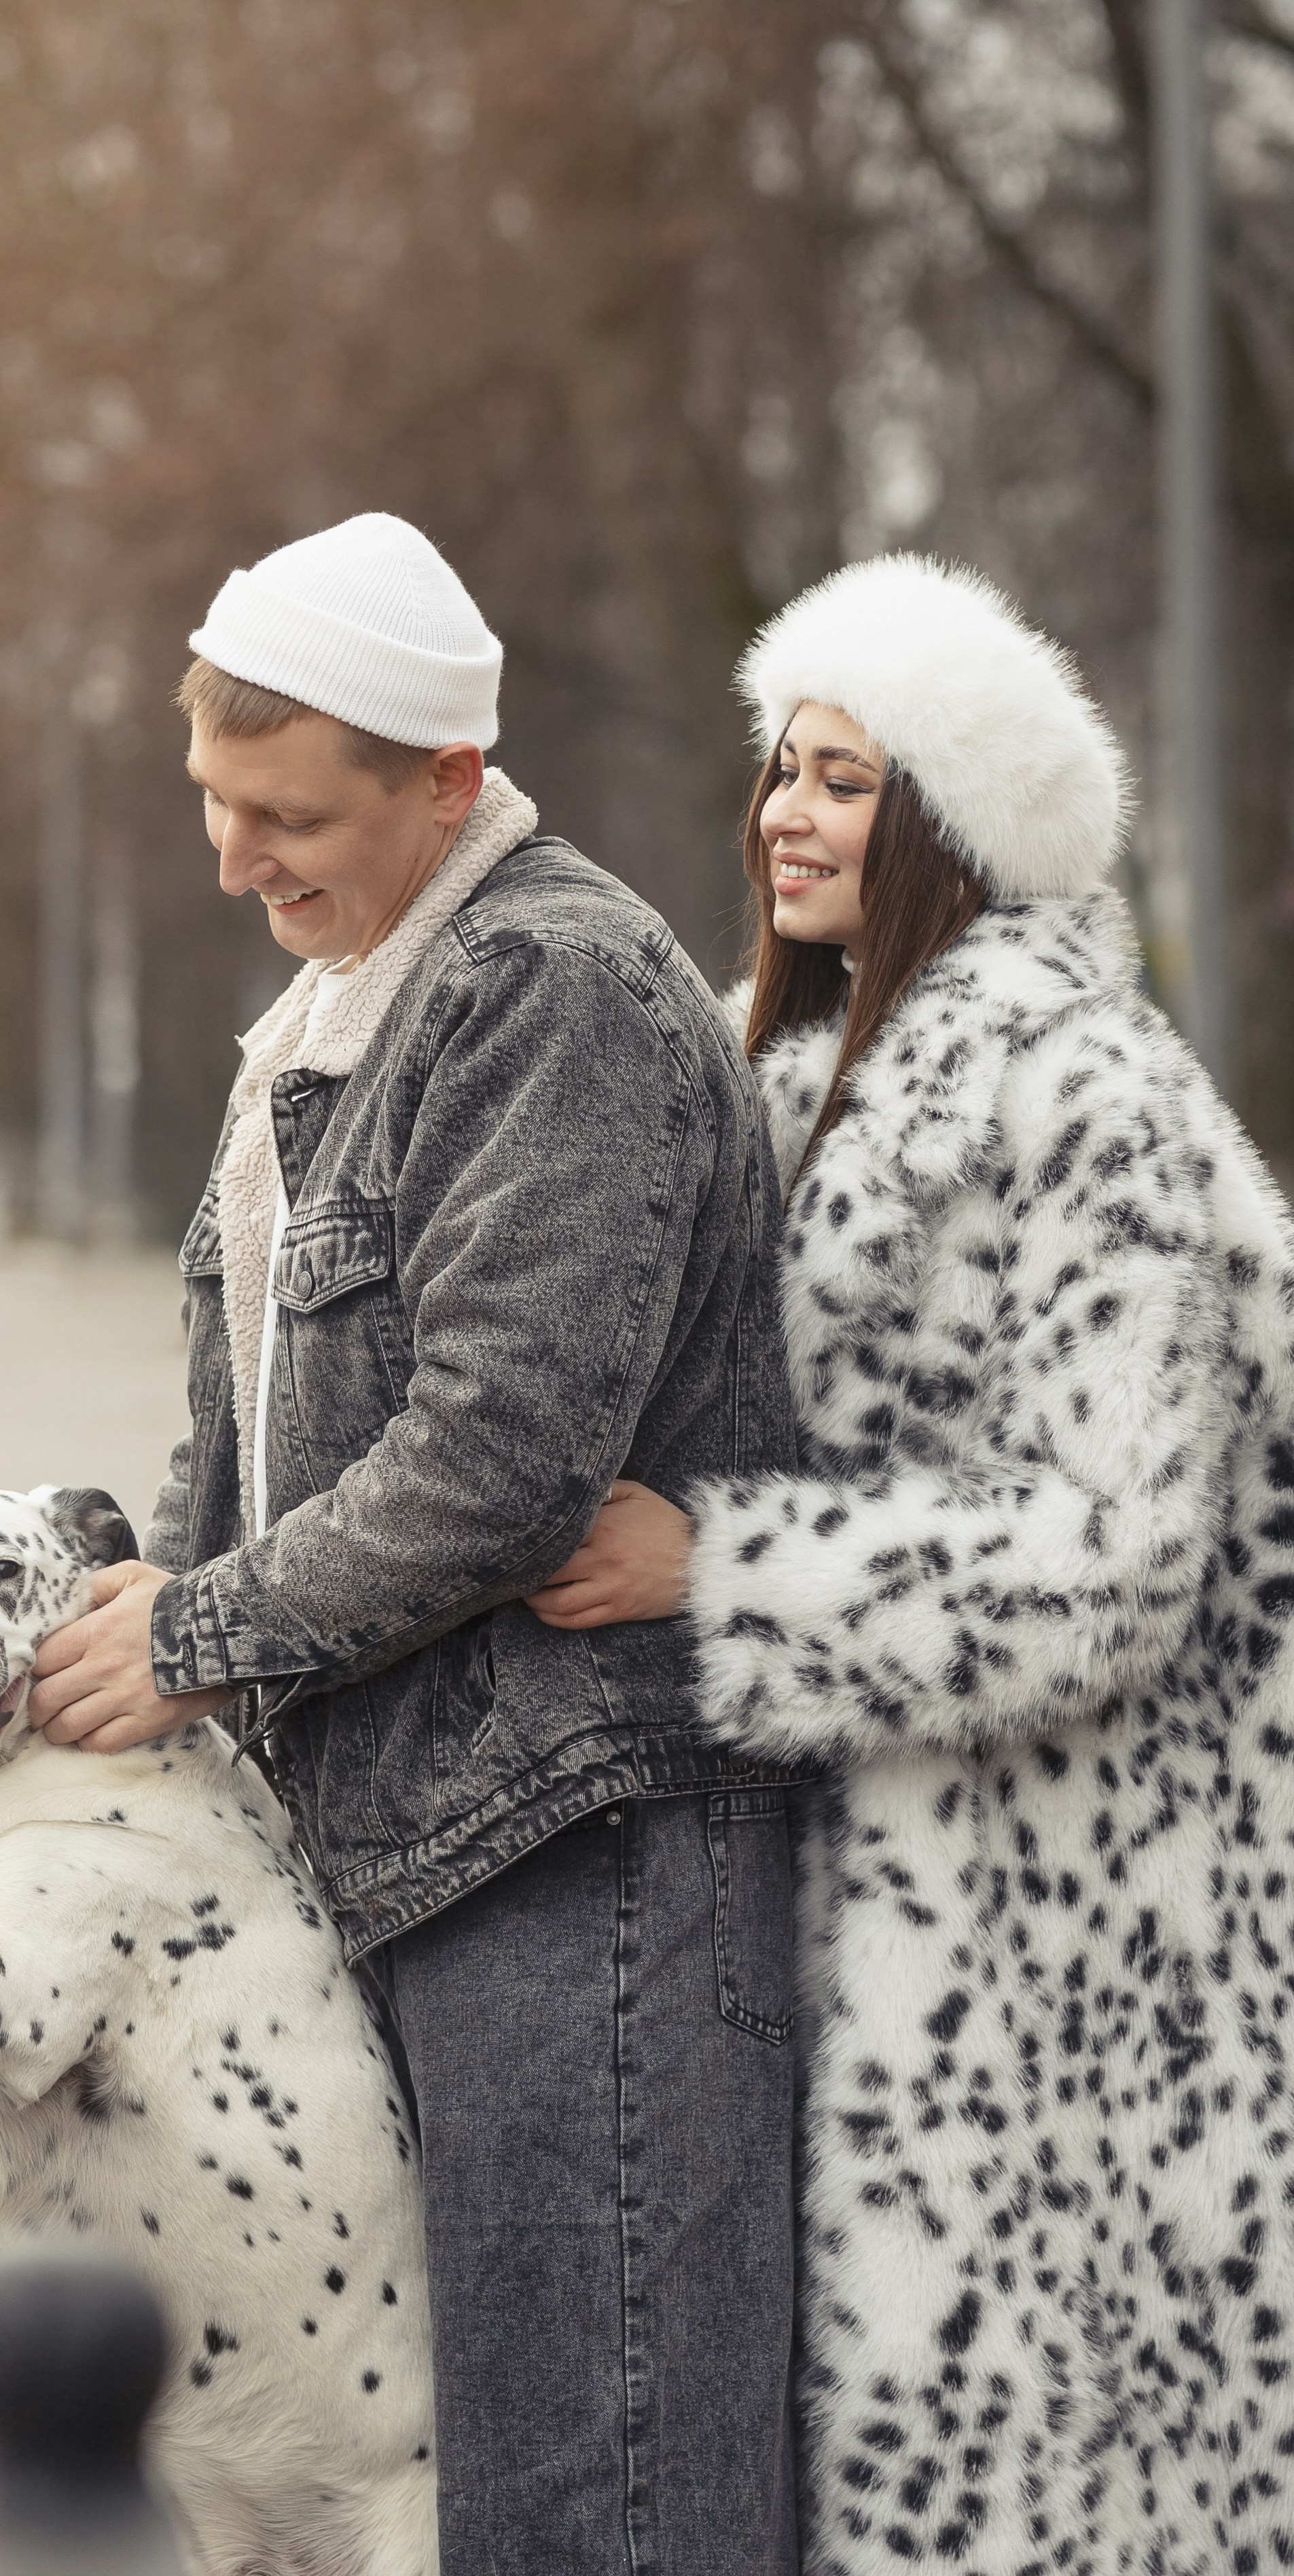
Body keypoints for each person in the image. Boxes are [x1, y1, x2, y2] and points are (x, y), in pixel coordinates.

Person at [25, 511, 804, 2571]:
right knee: (488, 2501)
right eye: (213, 801)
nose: (234, 860)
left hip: (594, 1870)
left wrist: (200, 1631)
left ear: (448, 780)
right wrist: (159, 1603)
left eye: (286, 815)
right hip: (441, 1858)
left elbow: (502, 1450)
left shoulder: (548, 986)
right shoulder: (340, 1019)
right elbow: (251, 1424)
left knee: (596, 2510)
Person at [529, 552, 1294, 2572]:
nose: (782, 813)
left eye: (842, 779)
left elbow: (1121, 1551)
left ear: (951, 823)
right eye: (779, 768)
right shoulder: (784, 1078)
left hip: (1072, 1944)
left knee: (1019, 2495)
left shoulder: (1086, 1093)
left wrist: (728, 1574)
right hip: (859, 1894)